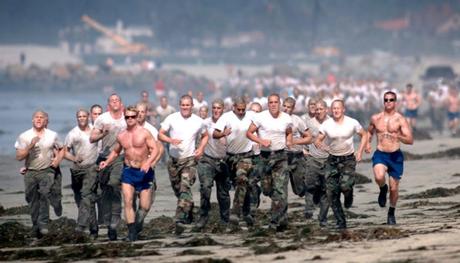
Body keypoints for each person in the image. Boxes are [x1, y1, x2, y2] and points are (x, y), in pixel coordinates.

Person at [99, 106, 159, 241]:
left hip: (145, 172)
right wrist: (106, 162)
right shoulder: (121, 135)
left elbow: (154, 149)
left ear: (137, 117)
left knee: (144, 206)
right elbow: (115, 151)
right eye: (127, 117)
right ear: (125, 118)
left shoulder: (145, 133)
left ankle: (137, 226)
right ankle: (131, 233)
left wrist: (148, 162)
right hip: (129, 171)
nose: (130, 119)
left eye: (133, 116)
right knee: (127, 201)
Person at [158, 94, 208, 234]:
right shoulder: (172, 118)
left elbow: (205, 136)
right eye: (183, 105)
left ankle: (179, 219)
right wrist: (170, 140)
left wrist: (201, 149)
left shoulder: (198, 121)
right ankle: (190, 210)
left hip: (189, 160)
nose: (185, 107)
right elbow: (160, 134)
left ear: (192, 106)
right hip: (173, 161)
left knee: (184, 187)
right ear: (180, 105)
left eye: (188, 105)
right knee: (178, 190)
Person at [315, 99, 367, 229]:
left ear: (343, 109)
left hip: (348, 159)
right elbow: (318, 140)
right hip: (332, 160)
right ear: (331, 110)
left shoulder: (352, 122)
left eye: (338, 108)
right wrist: (323, 147)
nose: (336, 111)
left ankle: (349, 195)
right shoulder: (327, 124)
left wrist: (360, 152)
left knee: (345, 186)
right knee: (332, 193)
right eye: (334, 109)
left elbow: (364, 135)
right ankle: (341, 221)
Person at [247, 93, 293, 231]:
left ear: (279, 104)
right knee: (267, 190)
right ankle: (279, 213)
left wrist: (289, 140)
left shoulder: (286, 118)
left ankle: (275, 221)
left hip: (280, 157)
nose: (273, 104)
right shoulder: (260, 117)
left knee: (280, 190)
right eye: (271, 102)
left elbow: (289, 132)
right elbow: (249, 133)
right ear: (268, 104)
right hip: (265, 157)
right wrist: (261, 141)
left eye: (276, 102)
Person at [15, 110, 64, 238]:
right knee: (32, 199)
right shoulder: (24, 136)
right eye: (36, 117)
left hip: (47, 171)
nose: (38, 119)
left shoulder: (52, 134)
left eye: (41, 117)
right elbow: (19, 156)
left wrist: (57, 160)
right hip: (30, 172)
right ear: (32, 120)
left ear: (45, 120)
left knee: (44, 194)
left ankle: (43, 224)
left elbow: (62, 148)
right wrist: (30, 146)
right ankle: (35, 225)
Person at [367, 91, 413, 225]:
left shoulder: (400, 119)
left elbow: (410, 140)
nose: (388, 102)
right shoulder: (376, 118)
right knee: (379, 176)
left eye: (391, 100)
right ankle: (382, 188)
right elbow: (369, 131)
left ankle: (391, 212)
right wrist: (368, 143)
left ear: (395, 102)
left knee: (394, 188)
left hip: (395, 156)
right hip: (381, 153)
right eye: (386, 100)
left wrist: (398, 136)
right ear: (383, 101)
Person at [214, 97, 257, 226]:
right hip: (230, 157)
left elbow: (265, 124)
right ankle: (247, 212)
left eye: (243, 109)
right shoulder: (226, 117)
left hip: (247, 156)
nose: (241, 112)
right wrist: (223, 134)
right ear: (233, 107)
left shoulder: (252, 116)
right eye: (239, 109)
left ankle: (235, 213)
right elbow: (215, 134)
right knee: (241, 186)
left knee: (242, 179)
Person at [90, 93, 126, 240]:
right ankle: (108, 220)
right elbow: (92, 138)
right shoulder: (103, 119)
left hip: (121, 157)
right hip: (104, 158)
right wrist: (102, 135)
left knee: (114, 184)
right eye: (112, 101)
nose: (115, 102)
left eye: (117, 100)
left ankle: (114, 221)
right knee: (104, 190)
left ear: (121, 103)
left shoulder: (127, 118)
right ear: (108, 105)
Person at [195, 99, 231, 230]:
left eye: (219, 108)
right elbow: (196, 138)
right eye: (214, 108)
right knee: (205, 188)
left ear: (223, 109)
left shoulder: (228, 123)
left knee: (223, 193)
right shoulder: (205, 123)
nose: (216, 110)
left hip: (223, 161)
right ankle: (203, 216)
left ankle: (225, 219)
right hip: (207, 160)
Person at [64, 109, 99, 239]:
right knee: (82, 200)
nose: (82, 118)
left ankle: (80, 226)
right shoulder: (72, 133)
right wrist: (73, 158)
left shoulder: (95, 130)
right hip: (77, 170)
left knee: (86, 195)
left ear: (88, 117)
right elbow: (65, 152)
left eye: (84, 116)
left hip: (92, 168)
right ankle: (94, 229)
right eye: (79, 116)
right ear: (76, 118)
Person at [134, 102, 164, 235]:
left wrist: (154, 162)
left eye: (142, 112)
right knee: (131, 198)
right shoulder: (129, 127)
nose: (140, 114)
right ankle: (133, 225)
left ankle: (138, 222)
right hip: (132, 169)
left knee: (147, 202)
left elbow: (161, 148)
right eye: (138, 112)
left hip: (147, 169)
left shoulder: (151, 129)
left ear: (146, 113)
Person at [304, 99, 330, 227]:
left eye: (321, 109)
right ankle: (310, 206)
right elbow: (303, 137)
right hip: (313, 159)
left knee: (326, 190)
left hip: (328, 160)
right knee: (310, 186)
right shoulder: (309, 123)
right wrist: (303, 149)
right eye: (317, 109)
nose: (318, 111)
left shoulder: (332, 122)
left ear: (326, 109)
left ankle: (323, 218)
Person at [282, 97, 312, 201]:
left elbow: (308, 137)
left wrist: (295, 142)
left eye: (289, 107)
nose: (285, 109)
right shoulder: (276, 119)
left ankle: (313, 196)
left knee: (299, 190)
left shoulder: (298, 120)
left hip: (296, 156)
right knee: (280, 186)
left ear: (293, 108)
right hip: (282, 156)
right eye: (284, 106)